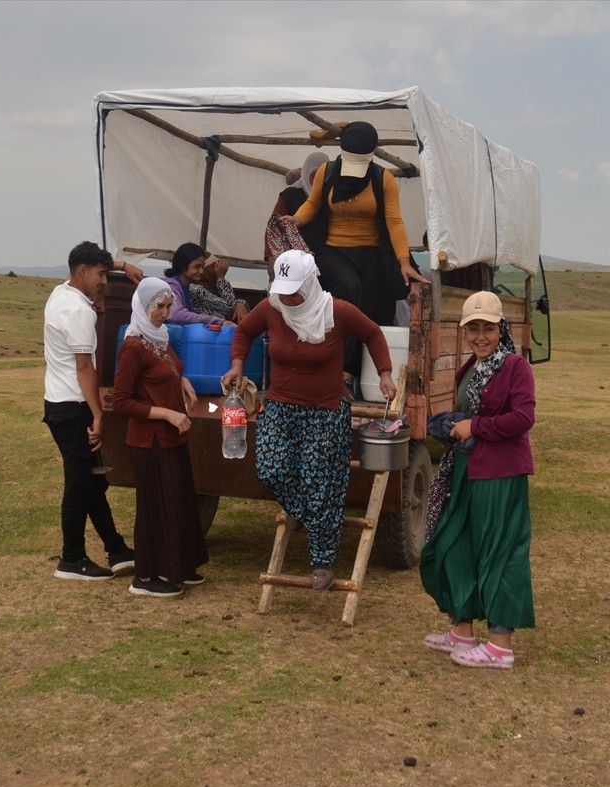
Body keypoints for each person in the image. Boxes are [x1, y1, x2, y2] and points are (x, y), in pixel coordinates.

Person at [221, 250, 396, 591]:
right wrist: (237, 365)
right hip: (280, 406)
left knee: (320, 485)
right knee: (270, 469)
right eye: (283, 288)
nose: (287, 296)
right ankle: (304, 513)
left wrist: (385, 373)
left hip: (325, 409)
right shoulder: (273, 307)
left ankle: (321, 561)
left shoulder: (335, 311)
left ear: (311, 282)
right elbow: (244, 332)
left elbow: (373, 334)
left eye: (294, 289)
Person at [419, 290, 536, 670]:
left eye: (488, 328)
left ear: (501, 329)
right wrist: (452, 424)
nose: (480, 336)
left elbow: (522, 419)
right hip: (468, 469)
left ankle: (500, 646)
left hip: (501, 472)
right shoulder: (471, 366)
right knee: (458, 543)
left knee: (498, 550)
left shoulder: (516, 367)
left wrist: (475, 426)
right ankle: (463, 629)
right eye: (473, 329)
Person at [283, 121, 429, 393]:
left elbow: (395, 221)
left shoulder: (382, 178)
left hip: (372, 252)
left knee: (377, 306)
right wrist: (298, 219)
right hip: (333, 250)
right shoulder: (327, 172)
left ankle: (369, 375)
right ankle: (343, 370)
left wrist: (404, 263)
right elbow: (313, 204)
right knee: (350, 288)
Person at [42, 241, 134, 581]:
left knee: (93, 483)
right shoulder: (80, 311)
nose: (104, 282)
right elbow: (84, 368)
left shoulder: (59, 294)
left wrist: (122, 265)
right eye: (100, 274)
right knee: (79, 483)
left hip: (58, 403)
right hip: (73, 407)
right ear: (83, 271)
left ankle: (118, 550)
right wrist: (98, 415)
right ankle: (72, 559)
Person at [112, 277, 209, 597]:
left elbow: (168, 367)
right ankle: (146, 576)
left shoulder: (158, 338)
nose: (166, 313)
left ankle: (178, 566)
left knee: (178, 501)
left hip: (171, 436)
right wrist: (167, 413)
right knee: (155, 505)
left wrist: (183, 381)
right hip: (149, 440)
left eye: (169, 306)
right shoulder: (132, 346)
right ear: (142, 307)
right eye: (159, 307)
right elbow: (122, 400)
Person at [264, 152, 330, 264]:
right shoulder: (290, 195)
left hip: (328, 258)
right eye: (314, 175)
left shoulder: (331, 195)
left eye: (322, 175)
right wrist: (271, 257)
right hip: (296, 260)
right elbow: (275, 227)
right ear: (306, 172)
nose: (318, 179)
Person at [163, 242, 235, 327]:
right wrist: (217, 321)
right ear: (182, 266)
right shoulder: (171, 287)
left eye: (203, 266)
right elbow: (177, 315)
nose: (201, 271)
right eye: (197, 267)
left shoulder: (186, 288)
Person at [189, 252, 248, 323]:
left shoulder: (215, 287)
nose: (219, 270)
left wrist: (240, 303)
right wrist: (221, 278)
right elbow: (229, 307)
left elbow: (231, 302)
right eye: (215, 266)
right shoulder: (196, 289)